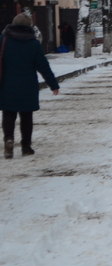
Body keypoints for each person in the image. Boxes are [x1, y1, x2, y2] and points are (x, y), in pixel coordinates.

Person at [1, 13, 60, 159]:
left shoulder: (3, 40)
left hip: (6, 84)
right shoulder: (33, 44)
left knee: (8, 114)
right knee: (26, 116)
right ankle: (26, 146)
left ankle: (8, 139)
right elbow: (43, 66)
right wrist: (53, 84)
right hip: (27, 85)